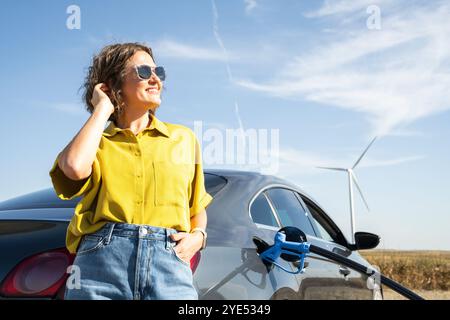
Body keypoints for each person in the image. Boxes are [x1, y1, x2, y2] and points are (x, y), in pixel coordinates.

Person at [49, 42, 213, 300]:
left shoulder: (184, 139)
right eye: (144, 72)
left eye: (159, 72)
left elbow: (197, 208)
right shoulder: (96, 143)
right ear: (113, 85)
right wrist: (103, 109)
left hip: (169, 267)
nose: (156, 79)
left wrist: (199, 237)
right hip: (100, 266)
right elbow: (73, 167)